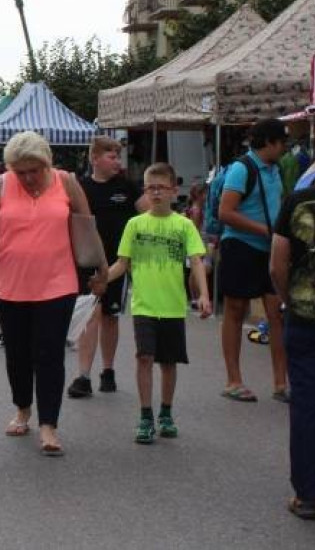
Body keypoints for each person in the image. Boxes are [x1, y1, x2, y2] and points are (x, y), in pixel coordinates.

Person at [0, 131, 104, 456]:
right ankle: (22, 408)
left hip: (57, 285)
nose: (29, 177)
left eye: (34, 170)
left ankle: (49, 424)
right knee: (17, 355)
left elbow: (88, 229)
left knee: (49, 355)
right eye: (22, 172)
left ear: (47, 162)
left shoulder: (66, 183)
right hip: (9, 285)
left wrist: (101, 270)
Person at [94, 163, 211, 445]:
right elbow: (123, 264)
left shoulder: (183, 225)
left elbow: (196, 261)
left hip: (172, 305)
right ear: (145, 191)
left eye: (161, 188)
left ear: (173, 191)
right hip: (144, 304)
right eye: (150, 188)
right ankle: (145, 416)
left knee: (168, 362)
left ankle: (166, 413)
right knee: (144, 357)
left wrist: (204, 295)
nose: (156, 193)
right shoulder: (134, 225)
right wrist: (103, 280)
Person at [218, 118, 288, 403]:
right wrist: (267, 231)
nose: (285, 147)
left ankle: (280, 383)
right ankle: (233, 380)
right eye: (282, 142)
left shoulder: (276, 169)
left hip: (269, 249)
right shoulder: (241, 168)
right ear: (269, 142)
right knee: (236, 310)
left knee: (277, 313)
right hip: (241, 246)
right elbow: (226, 212)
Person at [67, 137, 144, 399]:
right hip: (87, 260)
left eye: (119, 157)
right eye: (112, 157)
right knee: (91, 314)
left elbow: (149, 215)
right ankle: (83, 376)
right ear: (95, 158)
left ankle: (108, 370)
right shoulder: (81, 187)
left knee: (110, 317)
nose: (117, 162)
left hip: (117, 262)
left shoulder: (128, 187)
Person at [270, 177, 315, 520]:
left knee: (307, 403)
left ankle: (309, 495)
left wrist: (288, 300)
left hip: (306, 315)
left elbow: (277, 264)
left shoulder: (298, 200)